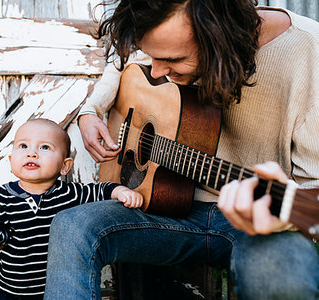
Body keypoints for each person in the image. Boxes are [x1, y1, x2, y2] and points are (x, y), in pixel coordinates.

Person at [44, 1, 319, 299]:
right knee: (73, 225)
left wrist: (282, 216)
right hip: (166, 211)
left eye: (173, 59)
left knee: (284, 271)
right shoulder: (166, 26)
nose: (157, 70)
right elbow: (123, 63)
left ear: (219, 37)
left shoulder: (308, 51)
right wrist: (91, 111)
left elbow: (313, 192)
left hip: (256, 223)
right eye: (151, 56)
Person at [0, 118, 143, 299]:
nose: (31, 153)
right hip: (8, 293)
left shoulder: (72, 194)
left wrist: (120, 191)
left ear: (65, 166)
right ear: (10, 160)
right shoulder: (3, 197)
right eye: (23, 146)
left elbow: (100, 191)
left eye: (44, 147)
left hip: (53, 292)